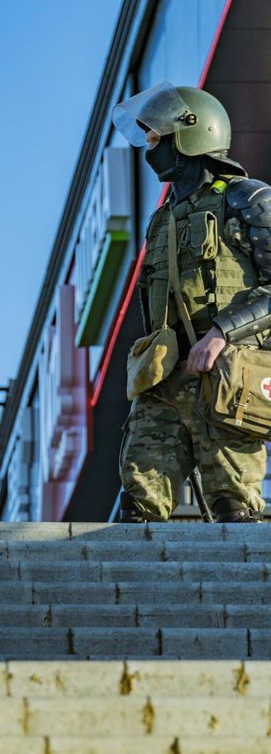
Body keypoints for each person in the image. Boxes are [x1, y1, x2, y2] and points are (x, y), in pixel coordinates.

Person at [112, 82, 270, 523]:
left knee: (234, 509)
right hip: (165, 375)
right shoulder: (164, 217)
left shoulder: (248, 199)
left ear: (191, 133)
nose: (150, 148)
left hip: (229, 375)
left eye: (157, 136)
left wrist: (221, 334)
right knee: (138, 506)